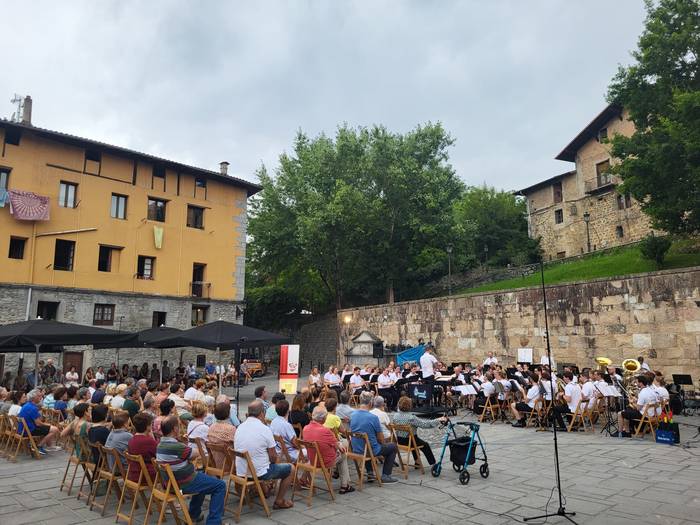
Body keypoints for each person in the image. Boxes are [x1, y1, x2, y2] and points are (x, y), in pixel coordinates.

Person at [157, 416, 226, 525]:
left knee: (202, 478)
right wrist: (184, 443)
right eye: (178, 426)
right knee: (220, 485)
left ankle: (193, 514)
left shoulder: (160, 445)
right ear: (175, 429)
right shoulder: (177, 446)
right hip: (184, 485)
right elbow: (196, 453)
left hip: (170, 485)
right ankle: (214, 522)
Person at [234, 400, 295, 509]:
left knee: (260, 462)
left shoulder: (239, 427)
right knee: (291, 468)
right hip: (258, 473)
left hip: (241, 471)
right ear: (262, 413)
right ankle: (279, 500)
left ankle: (264, 490)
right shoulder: (265, 429)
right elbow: (273, 457)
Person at [304, 405, 355, 494]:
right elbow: (340, 448)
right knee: (343, 455)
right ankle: (344, 485)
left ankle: (343, 482)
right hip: (324, 462)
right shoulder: (325, 431)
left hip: (312, 459)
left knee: (340, 454)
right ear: (324, 418)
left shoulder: (306, 428)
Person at [349, 391, 398, 483]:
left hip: (356, 448)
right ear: (371, 403)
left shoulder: (352, 415)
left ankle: (370, 473)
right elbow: (381, 438)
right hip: (369, 450)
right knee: (393, 447)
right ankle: (386, 475)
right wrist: (383, 446)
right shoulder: (373, 417)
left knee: (367, 443)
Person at [391, 396, 444, 466]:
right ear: (409, 406)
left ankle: (417, 461)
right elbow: (425, 424)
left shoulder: (395, 416)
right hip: (410, 441)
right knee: (425, 445)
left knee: (414, 440)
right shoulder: (411, 417)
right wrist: (439, 420)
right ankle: (433, 463)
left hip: (400, 441)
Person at [18, 389, 60, 454]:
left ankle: (49, 446)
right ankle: (39, 446)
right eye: (39, 396)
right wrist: (48, 425)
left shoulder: (26, 405)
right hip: (29, 430)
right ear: (34, 397)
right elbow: (38, 424)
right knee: (55, 429)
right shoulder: (33, 408)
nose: (41, 398)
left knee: (49, 428)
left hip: (23, 429)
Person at [127, 412, 157, 483]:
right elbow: (159, 455)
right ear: (147, 426)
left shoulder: (131, 440)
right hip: (147, 475)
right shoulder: (148, 441)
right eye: (151, 424)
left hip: (134, 474)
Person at [208, 402, 236, 469]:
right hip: (230, 464)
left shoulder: (211, 427)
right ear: (228, 414)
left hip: (216, 463)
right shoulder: (231, 429)